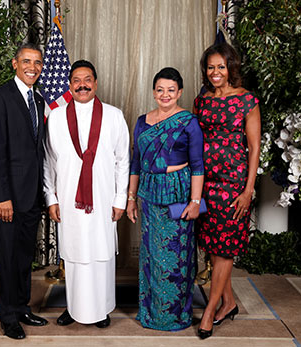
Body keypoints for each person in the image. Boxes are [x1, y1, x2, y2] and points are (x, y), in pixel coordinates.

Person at [43, 60, 130, 328]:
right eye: (77, 80)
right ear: (70, 85)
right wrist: (51, 198)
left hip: (103, 199)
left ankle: (102, 309)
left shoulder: (114, 115)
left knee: (99, 254)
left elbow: (123, 160)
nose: (82, 85)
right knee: (75, 253)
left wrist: (120, 199)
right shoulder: (56, 117)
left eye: (87, 79)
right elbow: (48, 161)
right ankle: (73, 307)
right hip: (68, 199)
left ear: (95, 83)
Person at [127, 67, 204, 331]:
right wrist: (131, 198)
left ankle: (175, 315)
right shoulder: (141, 122)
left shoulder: (188, 122)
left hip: (179, 193)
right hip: (149, 194)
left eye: (171, 90)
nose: (165, 95)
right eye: (160, 90)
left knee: (177, 255)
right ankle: (150, 313)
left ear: (179, 92)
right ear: (153, 92)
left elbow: (197, 165)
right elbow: (135, 163)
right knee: (151, 255)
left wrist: (195, 202)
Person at [193, 43, 261, 339]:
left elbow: (255, 148)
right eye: (210, 67)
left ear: (231, 67)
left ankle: (210, 311)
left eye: (221, 66)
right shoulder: (202, 99)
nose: (215, 72)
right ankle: (229, 302)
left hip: (233, 184)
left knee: (225, 248)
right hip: (205, 182)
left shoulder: (247, 100)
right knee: (213, 245)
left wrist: (249, 190)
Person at [0, 43, 48, 340]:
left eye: (37, 62)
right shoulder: (1, 97)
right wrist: (1, 196)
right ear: (15, 64)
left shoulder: (37, 99)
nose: (32, 67)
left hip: (32, 195)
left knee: (23, 257)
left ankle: (21, 307)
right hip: (8, 197)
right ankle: (8, 317)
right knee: (6, 258)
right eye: (26, 61)